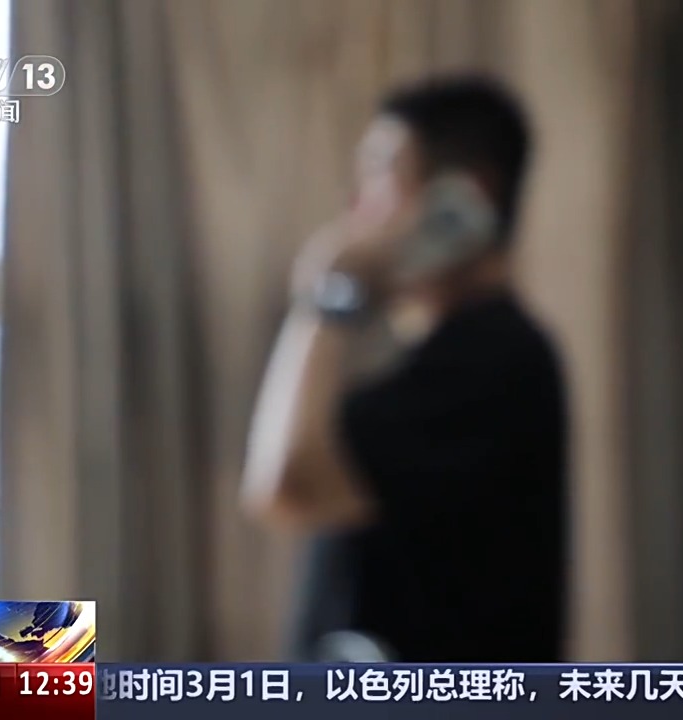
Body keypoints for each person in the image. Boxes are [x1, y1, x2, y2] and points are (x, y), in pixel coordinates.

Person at [242, 75, 568, 662]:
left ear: (462, 203)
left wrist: (329, 293)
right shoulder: (442, 362)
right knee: (55, 676)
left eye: (379, 176)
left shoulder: (494, 361)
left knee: (54, 669)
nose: (357, 210)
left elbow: (286, 482)